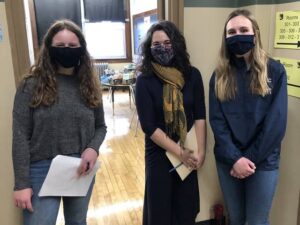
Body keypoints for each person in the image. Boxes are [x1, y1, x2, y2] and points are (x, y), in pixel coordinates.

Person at [12, 19, 107, 225]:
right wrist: (21, 184)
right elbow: (20, 136)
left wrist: (93, 148)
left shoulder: (89, 85)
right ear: (48, 49)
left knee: (77, 222)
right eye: (60, 46)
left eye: (73, 46)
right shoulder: (31, 85)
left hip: (80, 167)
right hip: (40, 169)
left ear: (81, 49)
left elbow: (100, 126)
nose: (67, 50)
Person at [209, 9, 287, 225]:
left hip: (263, 161)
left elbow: (276, 124)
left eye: (244, 30)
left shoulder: (275, 71)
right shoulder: (219, 76)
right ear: (225, 39)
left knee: (256, 221)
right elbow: (217, 122)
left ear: (255, 34)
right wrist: (235, 159)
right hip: (229, 161)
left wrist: (248, 159)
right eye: (231, 32)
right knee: (236, 219)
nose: (237, 35)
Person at [135, 20, 206, 225]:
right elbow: (149, 126)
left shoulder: (192, 76)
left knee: (186, 209)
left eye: (167, 43)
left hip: (189, 149)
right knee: (160, 212)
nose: (162, 48)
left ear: (176, 44)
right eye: (156, 44)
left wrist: (200, 152)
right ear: (149, 49)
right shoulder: (145, 80)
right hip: (159, 153)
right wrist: (178, 152)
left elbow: (200, 115)